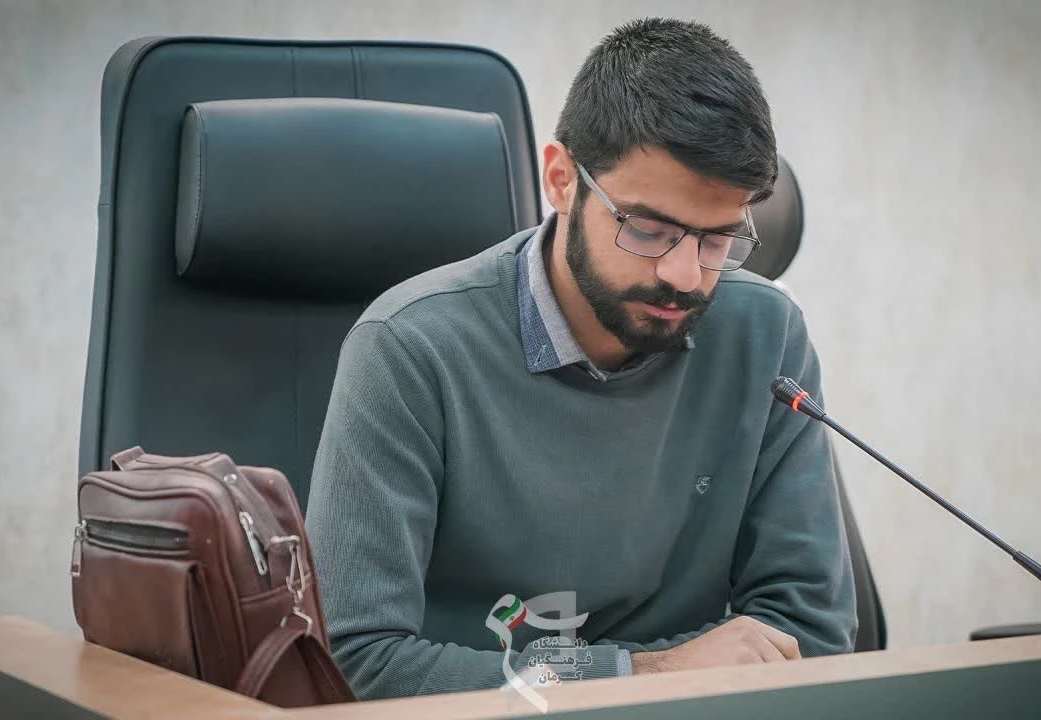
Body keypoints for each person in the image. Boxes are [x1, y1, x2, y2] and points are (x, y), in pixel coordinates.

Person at [304, 16, 858, 701]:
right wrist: (647, 672)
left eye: (716, 240)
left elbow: (810, 632)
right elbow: (357, 662)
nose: (685, 275)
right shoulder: (408, 348)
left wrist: (663, 679)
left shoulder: (766, 334)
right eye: (649, 230)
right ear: (561, 179)